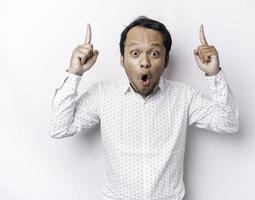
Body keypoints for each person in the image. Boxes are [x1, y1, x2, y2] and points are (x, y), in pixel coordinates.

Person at [49, 16, 239, 200]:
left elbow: (228, 123)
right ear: (122, 60)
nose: (145, 62)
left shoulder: (184, 96)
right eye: (135, 53)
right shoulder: (102, 93)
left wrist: (213, 73)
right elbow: (59, 128)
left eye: (154, 53)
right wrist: (75, 73)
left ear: (166, 61)